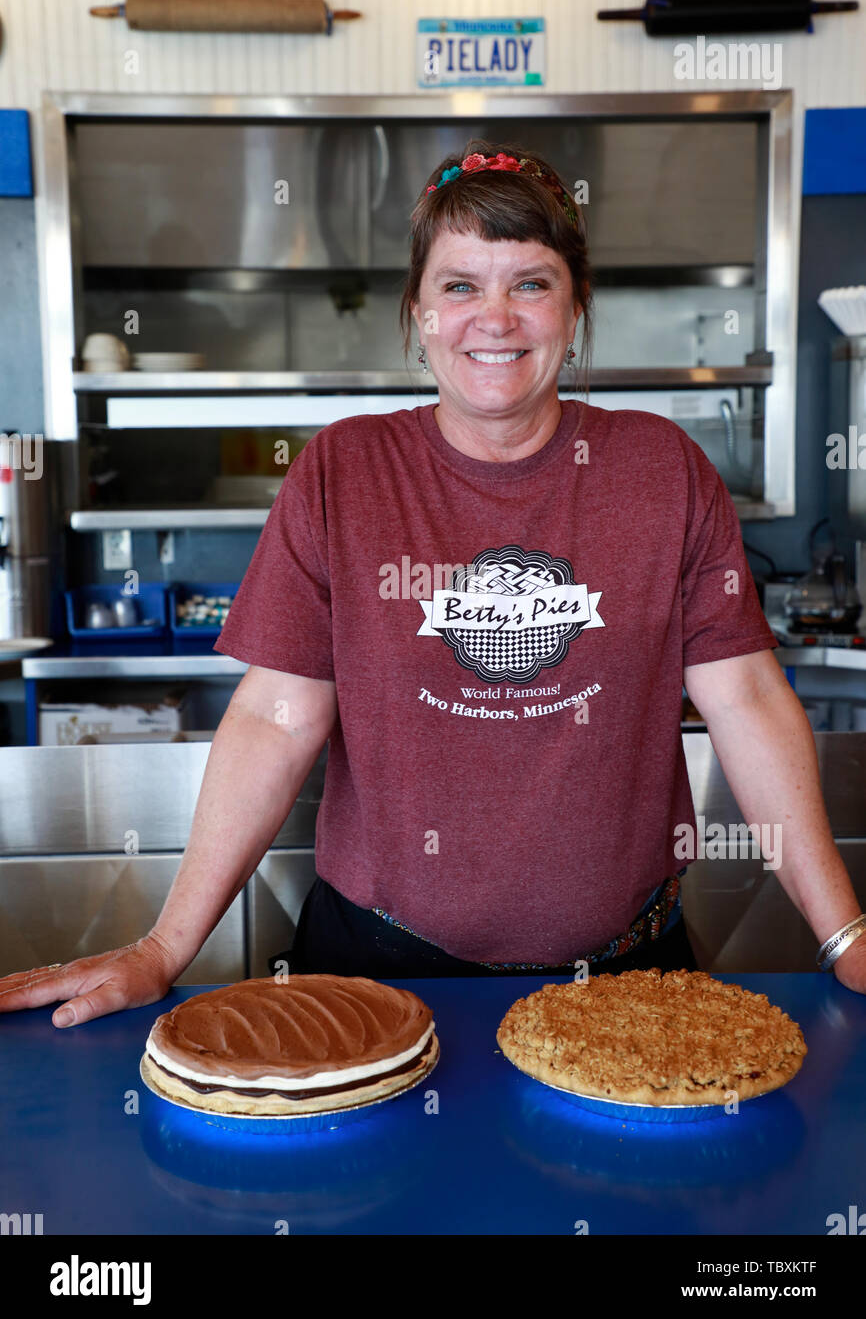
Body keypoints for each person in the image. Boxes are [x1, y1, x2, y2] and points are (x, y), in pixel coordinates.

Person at [2, 141, 864, 1027]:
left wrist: (844, 936)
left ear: (574, 309)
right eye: (460, 286)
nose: (494, 318)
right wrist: (161, 949)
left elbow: (748, 702)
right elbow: (275, 715)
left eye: (530, 283)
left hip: (628, 981)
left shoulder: (663, 470)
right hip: (377, 973)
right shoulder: (344, 471)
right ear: (418, 314)